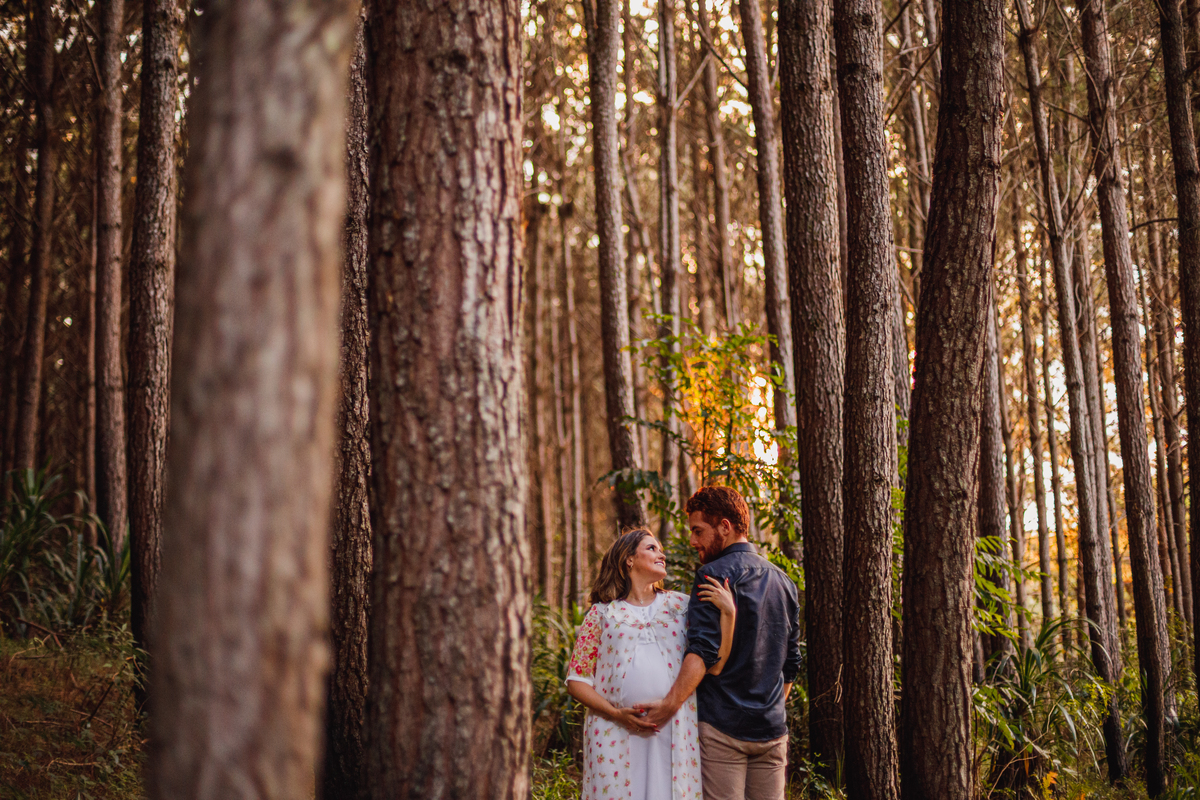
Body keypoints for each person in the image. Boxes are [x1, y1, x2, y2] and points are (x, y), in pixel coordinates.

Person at [637, 486, 802, 800]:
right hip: (772, 731)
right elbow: (790, 665)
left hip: (722, 730)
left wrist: (667, 707)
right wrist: (768, 708)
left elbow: (702, 650)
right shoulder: (785, 582)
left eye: (698, 531)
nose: (693, 541)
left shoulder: (711, 576)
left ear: (725, 527)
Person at [566, 528, 737, 800]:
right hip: (613, 731)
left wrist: (729, 614)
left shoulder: (682, 606)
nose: (662, 554)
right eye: (652, 548)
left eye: (660, 549)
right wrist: (616, 713)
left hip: (674, 728)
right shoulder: (601, 613)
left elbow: (714, 664)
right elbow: (576, 680)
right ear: (629, 559)